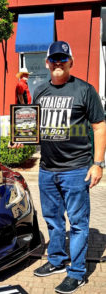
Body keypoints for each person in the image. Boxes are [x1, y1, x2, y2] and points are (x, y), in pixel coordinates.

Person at [31, 41, 106, 293]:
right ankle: (56, 261)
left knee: (77, 223)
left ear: (71, 62)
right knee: (52, 220)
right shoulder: (39, 90)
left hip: (76, 169)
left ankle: (77, 273)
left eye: (63, 59)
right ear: (47, 63)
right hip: (47, 169)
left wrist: (98, 164)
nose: (58, 63)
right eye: (54, 59)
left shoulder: (85, 90)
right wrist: (25, 139)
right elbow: (34, 125)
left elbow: (99, 126)